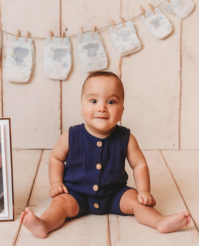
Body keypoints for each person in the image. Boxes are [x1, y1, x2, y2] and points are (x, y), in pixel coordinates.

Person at [19, 71, 191, 238]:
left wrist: (144, 191)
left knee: (137, 203)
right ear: (82, 107)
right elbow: (56, 158)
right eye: (93, 101)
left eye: (111, 102)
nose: (102, 108)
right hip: (76, 193)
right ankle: (44, 224)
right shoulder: (71, 136)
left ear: (122, 111)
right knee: (60, 204)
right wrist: (56, 182)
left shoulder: (126, 138)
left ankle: (159, 221)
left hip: (115, 193)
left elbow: (139, 164)